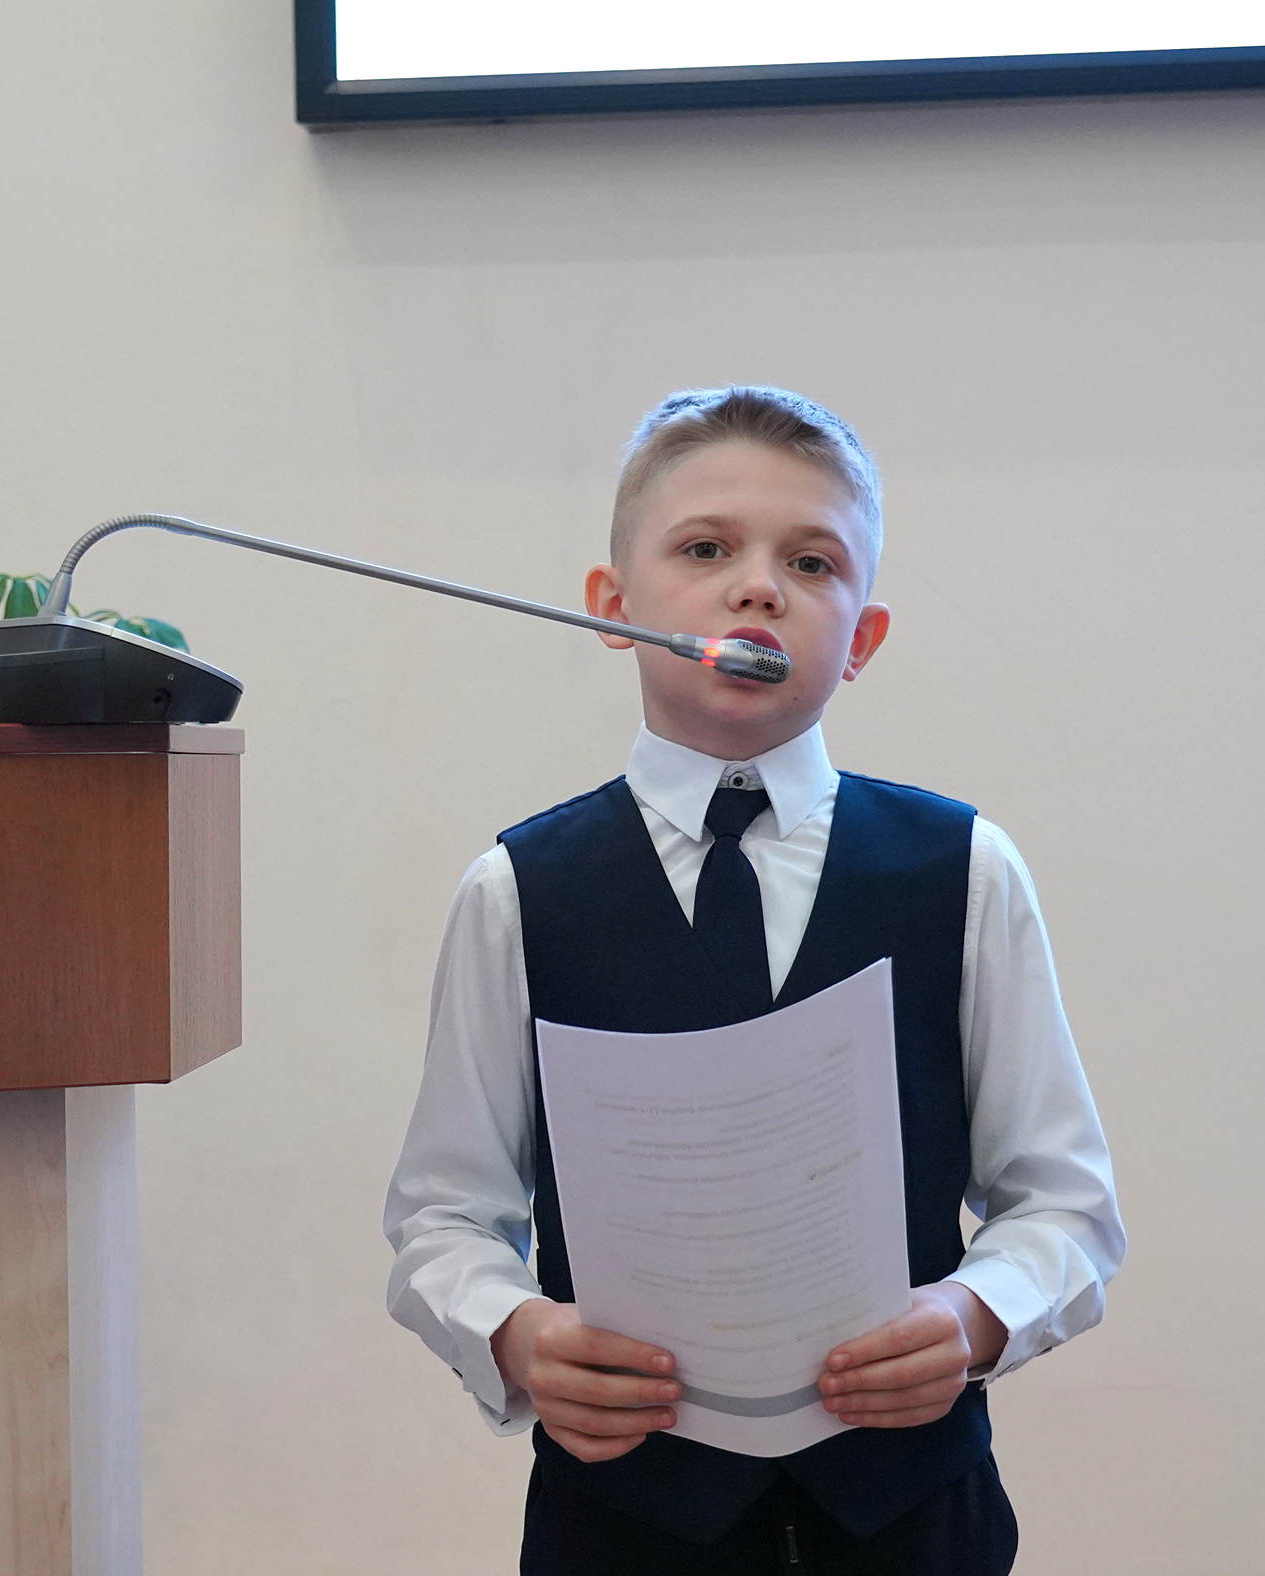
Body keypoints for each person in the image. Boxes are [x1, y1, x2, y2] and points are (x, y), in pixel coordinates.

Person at [384, 387, 1124, 1574]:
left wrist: (972, 1316)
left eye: (811, 562)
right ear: (612, 608)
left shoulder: (966, 869)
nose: (758, 588)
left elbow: (1065, 1203)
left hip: (914, 1521)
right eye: (705, 549)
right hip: (620, 1526)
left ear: (861, 639)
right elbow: (442, 1216)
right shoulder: (516, 890)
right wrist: (514, 1332)